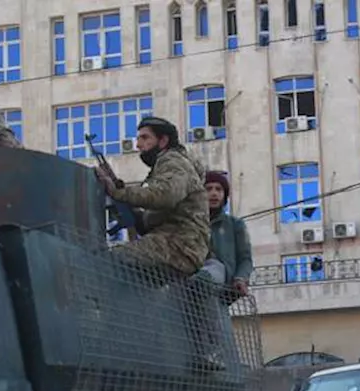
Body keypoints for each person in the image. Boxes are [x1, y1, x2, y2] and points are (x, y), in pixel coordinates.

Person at [95, 117, 210, 278]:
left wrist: (119, 192)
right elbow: (155, 219)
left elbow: (165, 195)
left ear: (163, 141)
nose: (138, 145)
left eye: (145, 138)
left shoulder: (172, 160)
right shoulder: (168, 165)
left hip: (177, 246)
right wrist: (132, 209)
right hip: (179, 246)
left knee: (105, 260)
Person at [204, 171, 253, 298]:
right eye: (208, 189)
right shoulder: (191, 223)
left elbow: (245, 258)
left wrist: (240, 278)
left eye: (219, 189)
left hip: (222, 286)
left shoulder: (235, 225)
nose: (214, 193)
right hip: (190, 288)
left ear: (224, 195)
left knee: (215, 267)